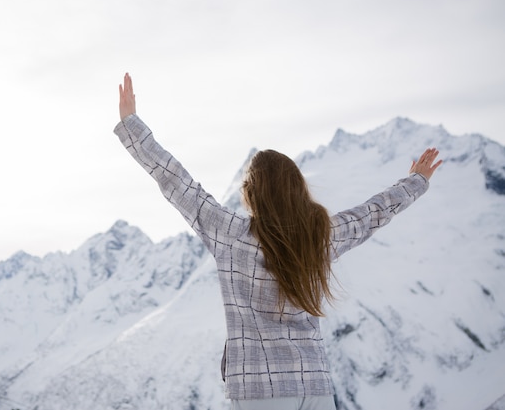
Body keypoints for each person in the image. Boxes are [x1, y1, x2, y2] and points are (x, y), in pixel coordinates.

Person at [114, 73, 442, 410]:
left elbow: (176, 182)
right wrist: (416, 181)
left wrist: (132, 126)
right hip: (314, 385)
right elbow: (372, 214)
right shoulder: (320, 237)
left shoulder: (230, 234)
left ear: (251, 193)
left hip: (259, 390)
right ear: (297, 188)